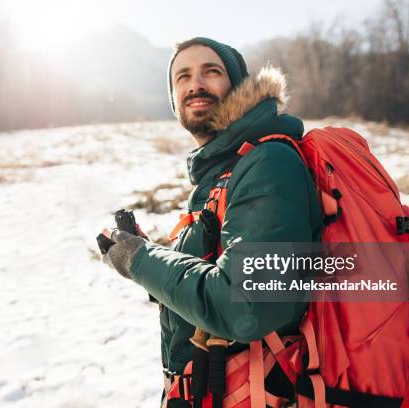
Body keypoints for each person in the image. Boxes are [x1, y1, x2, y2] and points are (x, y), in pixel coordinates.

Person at [100, 37, 323, 405]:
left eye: (211, 71)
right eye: (182, 76)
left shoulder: (267, 162)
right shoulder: (222, 170)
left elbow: (247, 305)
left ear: (238, 84)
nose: (195, 84)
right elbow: (212, 272)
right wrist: (147, 255)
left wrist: (140, 260)